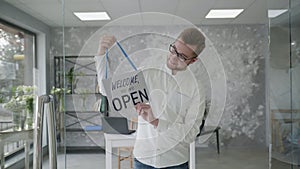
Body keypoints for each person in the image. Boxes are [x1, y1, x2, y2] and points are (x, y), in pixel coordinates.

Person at [95, 27, 206, 169]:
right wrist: (101, 54)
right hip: (142, 160)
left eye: (182, 56)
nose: (173, 57)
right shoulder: (148, 70)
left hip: (175, 162)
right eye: (173, 49)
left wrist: (157, 122)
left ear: (193, 60)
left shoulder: (196, 88)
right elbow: (107, 90)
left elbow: (191, 133)